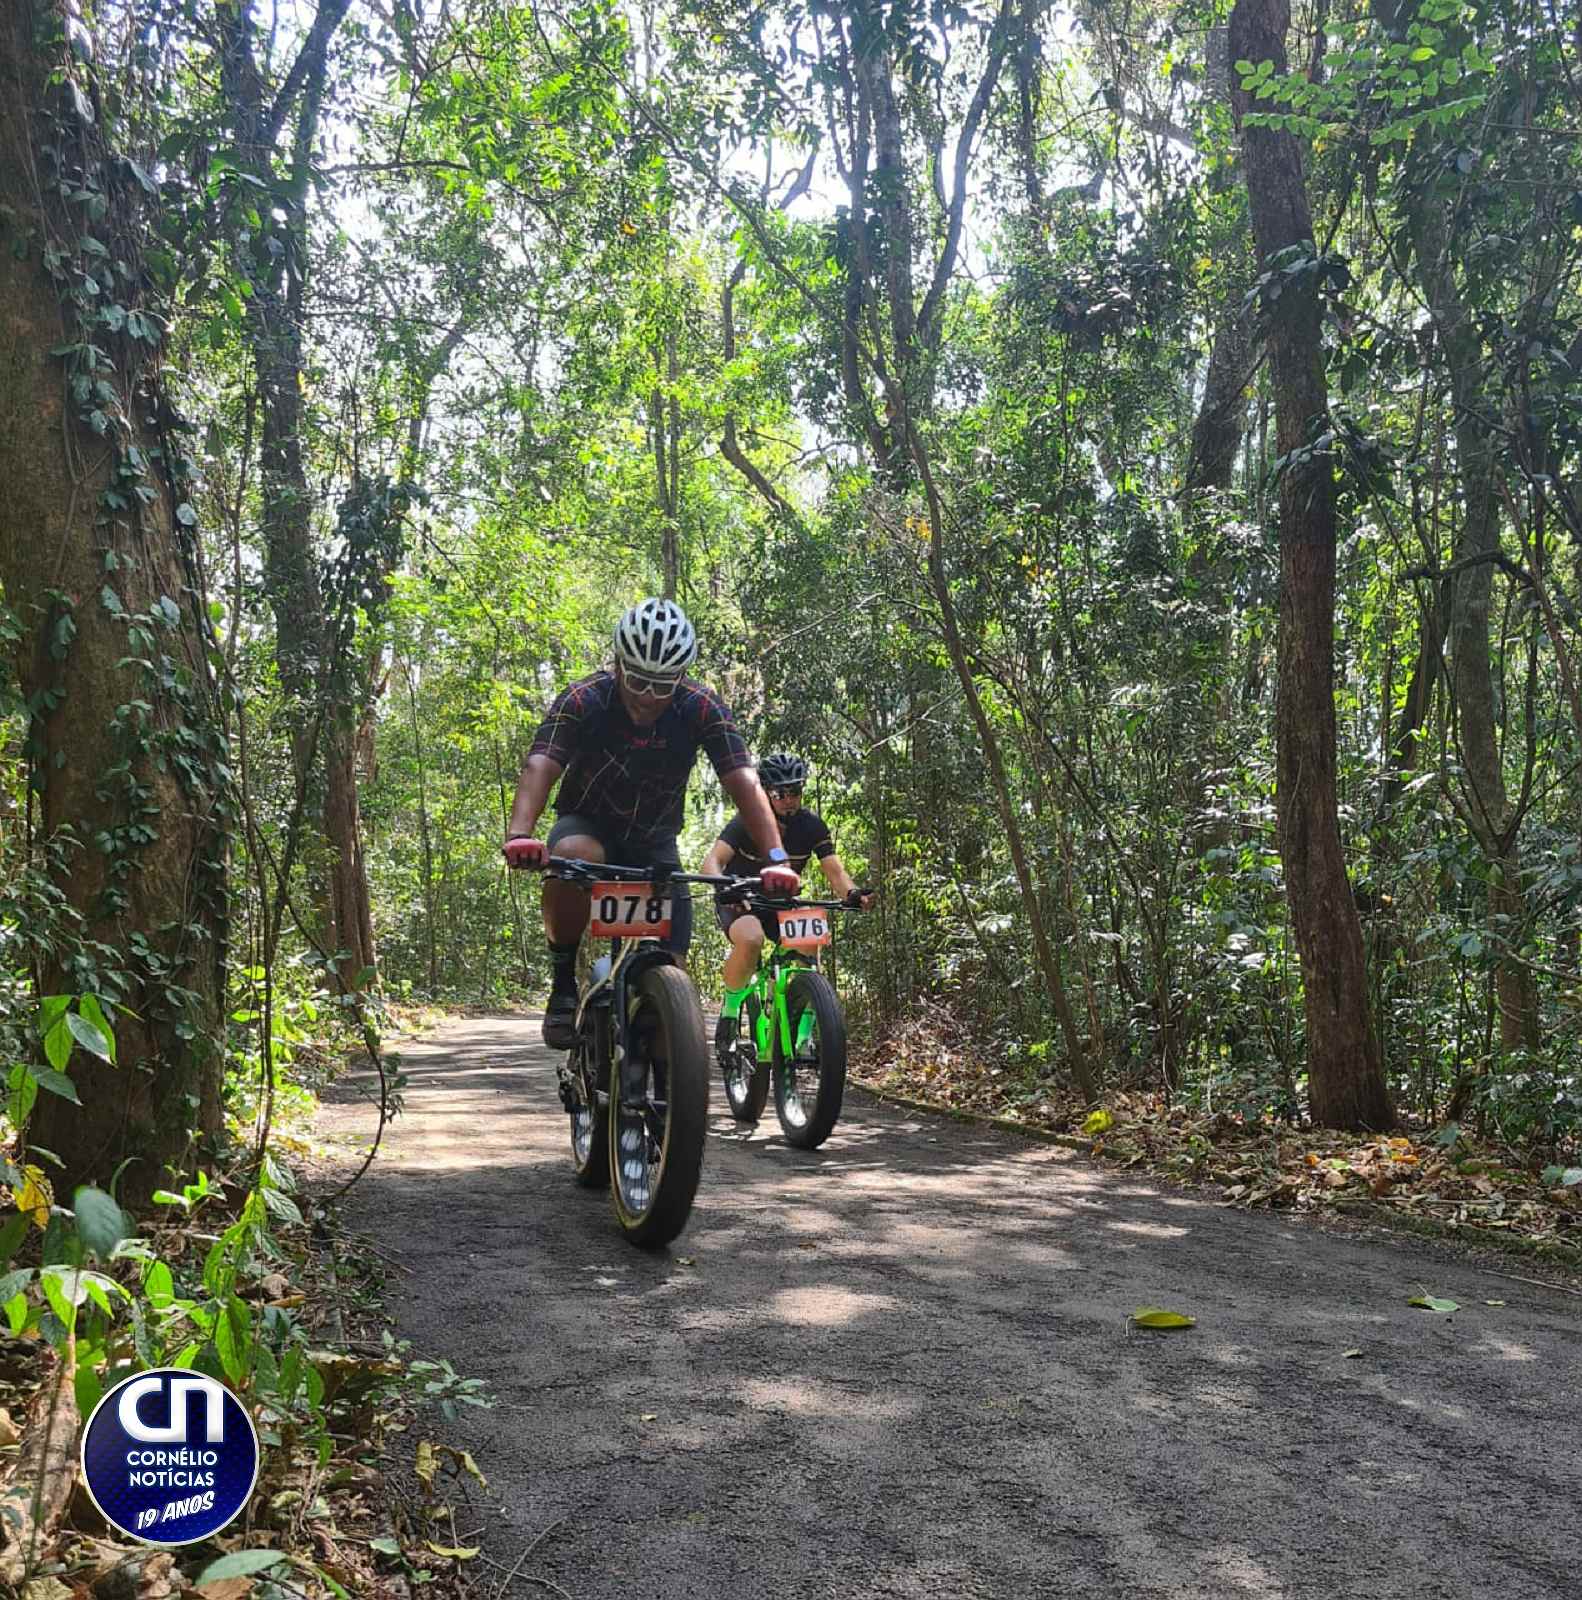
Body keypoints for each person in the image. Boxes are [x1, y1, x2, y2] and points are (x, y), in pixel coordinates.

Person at [503, 598, 800, 1048]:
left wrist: (777, 858)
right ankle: (562, 978)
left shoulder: (700, 706)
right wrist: (520, 834)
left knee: (674, 983)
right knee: (575, 856)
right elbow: (542, 763)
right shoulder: (585, 698)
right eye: (638, 680)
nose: (647, 696)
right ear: (619, 664)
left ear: (681, 678)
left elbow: (743, 781)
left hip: (655, 843)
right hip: (587, 824)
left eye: (662, 685)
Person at [699, 752, 873, 1062]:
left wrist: (853, 893)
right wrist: (723, 887)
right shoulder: (747, 822)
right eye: (781, 793)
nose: (789, 799)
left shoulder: (812, 827)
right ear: (765, 791)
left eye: (796, 791)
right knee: (751, 939)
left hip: (781, 904)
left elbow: (835, 871)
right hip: (741, 901)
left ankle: (803, 1037)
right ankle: (728, 1015)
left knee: (810, 941)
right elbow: (712, 861)